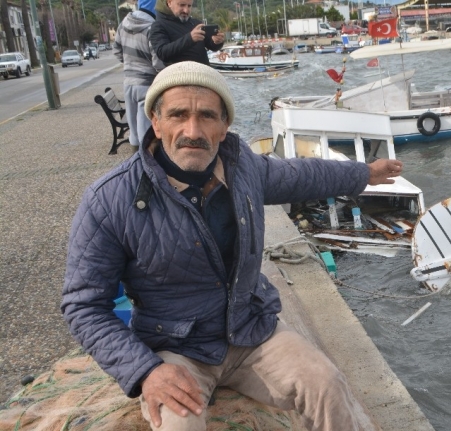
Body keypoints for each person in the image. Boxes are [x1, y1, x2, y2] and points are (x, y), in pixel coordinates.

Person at [61, 61, 404, 431]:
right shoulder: (108, 199)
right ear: (156, 124)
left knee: (327, 385)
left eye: (207, 116)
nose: (192, 131)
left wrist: (365, 173)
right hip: (176, 348)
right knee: (179, 425)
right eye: (178, 114)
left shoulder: (244, 170)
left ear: (224, 127)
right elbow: (83, 306)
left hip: (251, 329)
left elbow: (302, 175)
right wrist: (145, 371)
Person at [114, 0, 164, 153]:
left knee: (134, 127)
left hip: (128, 81)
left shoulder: (123, 24)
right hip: (146, 82)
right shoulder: (152, 27)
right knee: (146, 129)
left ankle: (134, 158)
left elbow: (116, 50)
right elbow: (157, 61)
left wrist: (129, 64)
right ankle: (145, 162)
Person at [150, 0, 224, 66]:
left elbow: (211, 45)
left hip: (202, 76)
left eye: (189, 6)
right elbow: (162, 53)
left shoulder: (195, 23)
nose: (186, 10)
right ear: (169, 3)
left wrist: (217, 42)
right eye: (182, 5)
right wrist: (190, 38)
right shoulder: (158, 25)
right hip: (179, 78)